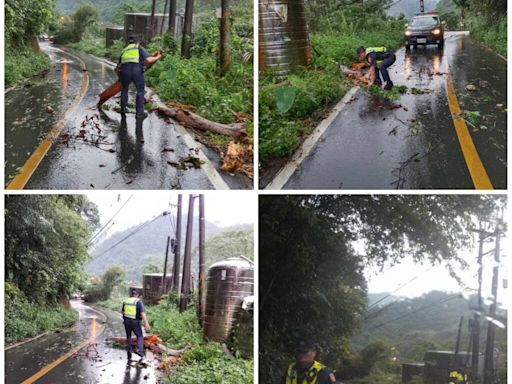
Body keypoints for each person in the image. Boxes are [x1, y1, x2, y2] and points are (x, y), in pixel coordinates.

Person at [118, 35, 163, 120]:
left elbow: (118, 66)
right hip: (136, 71)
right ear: (137, 41)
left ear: (129, 42)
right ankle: (139, 113)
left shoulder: (125, 50)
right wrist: (158, 57)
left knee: (124, 89)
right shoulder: (138, 48)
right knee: (140, 91)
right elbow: (148, 60)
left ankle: (123, 109)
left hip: (124, 71)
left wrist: (120, 76)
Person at [122, 288, 151, 362]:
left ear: (131, 294)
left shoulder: (126, 301)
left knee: (128, 336)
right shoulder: (138, 302)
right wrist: (146, 324)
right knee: (140, 336)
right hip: (135, 322)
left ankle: (129, 353)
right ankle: (139, 349)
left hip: (126, 321)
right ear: (137, 294)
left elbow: (122, 312)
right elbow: (142, 313)